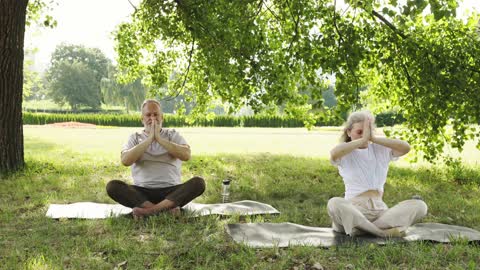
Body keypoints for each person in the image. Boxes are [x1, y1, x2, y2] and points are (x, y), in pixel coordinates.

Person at [327, 111, 427, 237]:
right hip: (354, 209)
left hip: (380, 212)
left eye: (368, 132)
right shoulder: (345, 151)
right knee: (334, 203)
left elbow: (405, 147)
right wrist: (362, 140)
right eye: (359, 132)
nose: (365, 136)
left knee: (420, 206)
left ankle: (361, 230)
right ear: (348, 132)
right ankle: (380, 233)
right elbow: (334, 153)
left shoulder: (380, 149)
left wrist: (373, 138)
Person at [106, 99, 205, 218]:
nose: (152, 118)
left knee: (198, 183)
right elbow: (125, 160)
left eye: (156, 114)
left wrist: (159, 139)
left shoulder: (172, 134)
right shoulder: (134, 137)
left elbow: (186, 155)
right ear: (142, 119)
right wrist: (149, 139)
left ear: (162, 117)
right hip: (142, 194)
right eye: (148, 115)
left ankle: (149, 211)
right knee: (113, 186)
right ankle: (164, 210)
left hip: (171, 192)